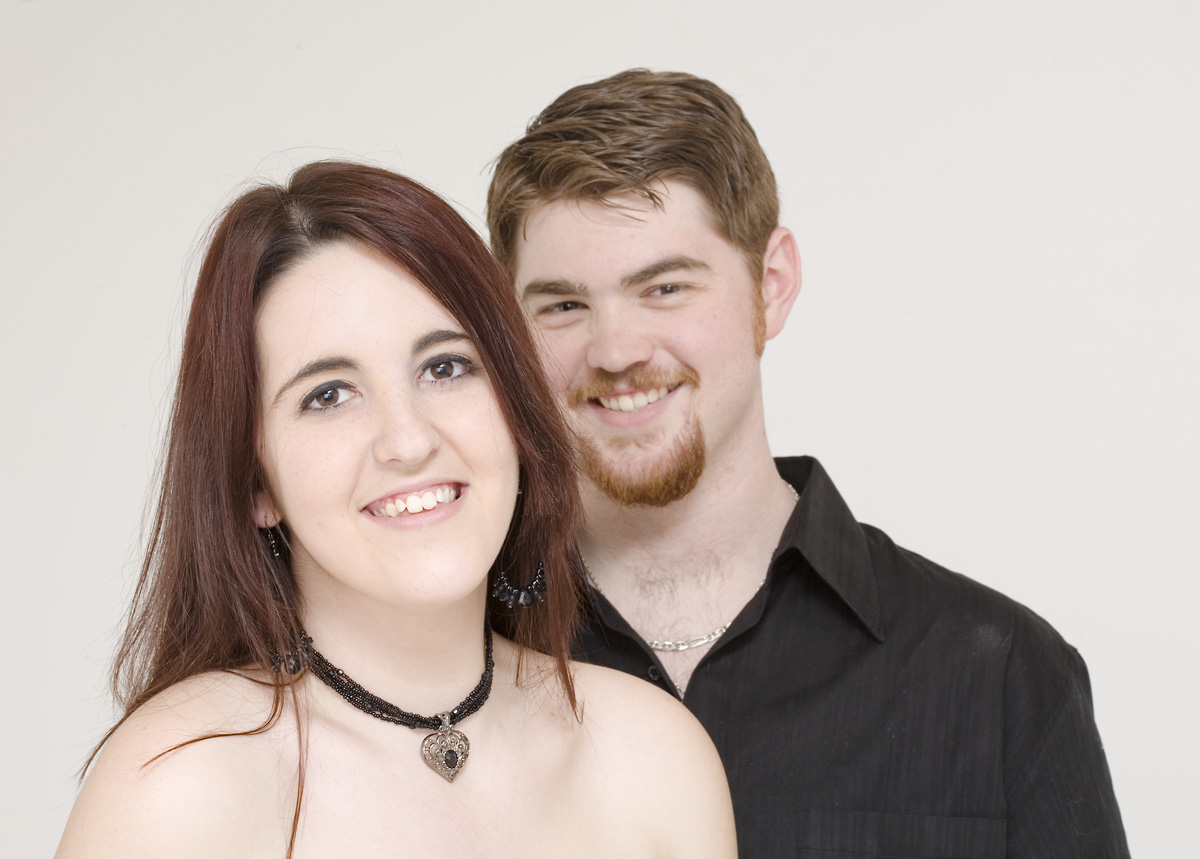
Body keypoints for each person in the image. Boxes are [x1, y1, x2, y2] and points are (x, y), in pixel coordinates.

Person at [488, 69, 1130, 857]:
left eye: (664, 287)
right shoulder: (450, 660)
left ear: (772, 283)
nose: (615, 350)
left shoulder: (1001, 676)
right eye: (563, 305)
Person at [55, 161, 736, 859]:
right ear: (255, 483)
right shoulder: (178, 786)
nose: (409, 441)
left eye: (445, 367)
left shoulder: (654, 755)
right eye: (328, 395)